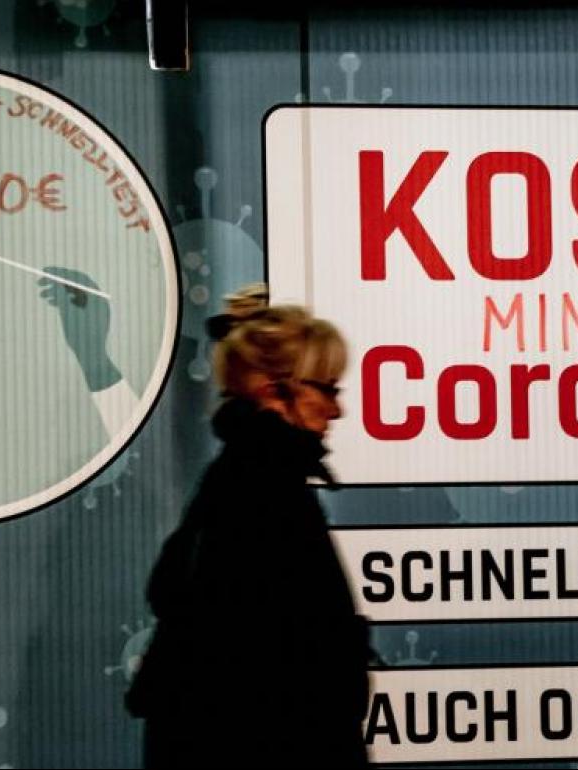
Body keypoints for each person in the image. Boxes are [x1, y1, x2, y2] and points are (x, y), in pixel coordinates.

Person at [126, 285, 371, 767]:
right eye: (327, 389)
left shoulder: (245, 480)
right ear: (271, 390)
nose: (337, 409)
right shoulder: (263, 494)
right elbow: (265, 686)